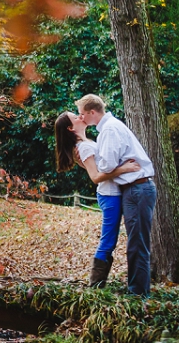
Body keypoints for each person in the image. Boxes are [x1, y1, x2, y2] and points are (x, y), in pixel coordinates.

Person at [75, 94, 157, 297]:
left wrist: (98, 163)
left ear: (92, 112)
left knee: (137, 244)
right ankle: (137, 290)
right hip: (132, 188)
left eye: (82, 114)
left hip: (137, 188)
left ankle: (138, 294)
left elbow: (107, 165)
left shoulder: (109, 130)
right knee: (135, 243)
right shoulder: (110, 127)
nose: (81, 118)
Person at [54, 111, 140, 288]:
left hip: (113, 193)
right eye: (76, 117)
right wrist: (124, 169)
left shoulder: (86, 144)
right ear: (71, 128)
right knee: (108, 241)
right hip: (109, 195)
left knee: (111, 240)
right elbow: (95, 176)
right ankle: (95, 285)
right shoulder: (83, 147)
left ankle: (98, 284)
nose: (80, 117)